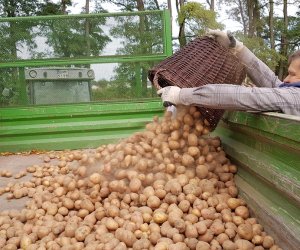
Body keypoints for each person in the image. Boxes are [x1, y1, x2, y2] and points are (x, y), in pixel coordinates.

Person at [157, 30, 300, 116]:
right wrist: (238, 48)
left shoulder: (296, 97)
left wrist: (182, 95)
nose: (286, 79)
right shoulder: (291, 94)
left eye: (292, 74)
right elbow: (273, 83)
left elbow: (244, 96)